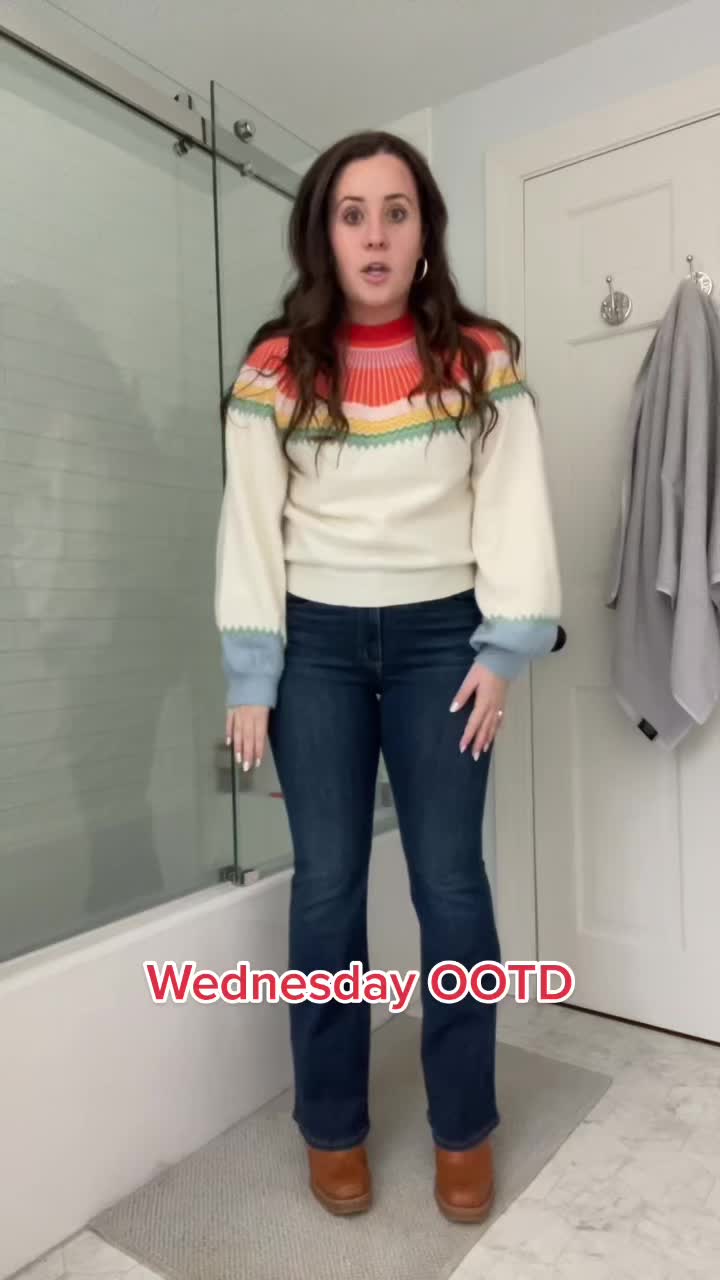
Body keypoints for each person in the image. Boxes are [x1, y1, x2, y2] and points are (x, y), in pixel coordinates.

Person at [214, 130, 564, 1223]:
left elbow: (514, 506)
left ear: (424, 233)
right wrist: (251, 673)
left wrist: (505, 650)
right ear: (324, 234)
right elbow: (250, 524)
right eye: (353, 213)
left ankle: (465, 1126)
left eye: (396, 212)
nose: (375, 235)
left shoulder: (483, 357)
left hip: (442, 645)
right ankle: (333, 1126)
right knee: (326, 885)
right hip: (313, 645)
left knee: (450, 882)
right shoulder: (276, 364)